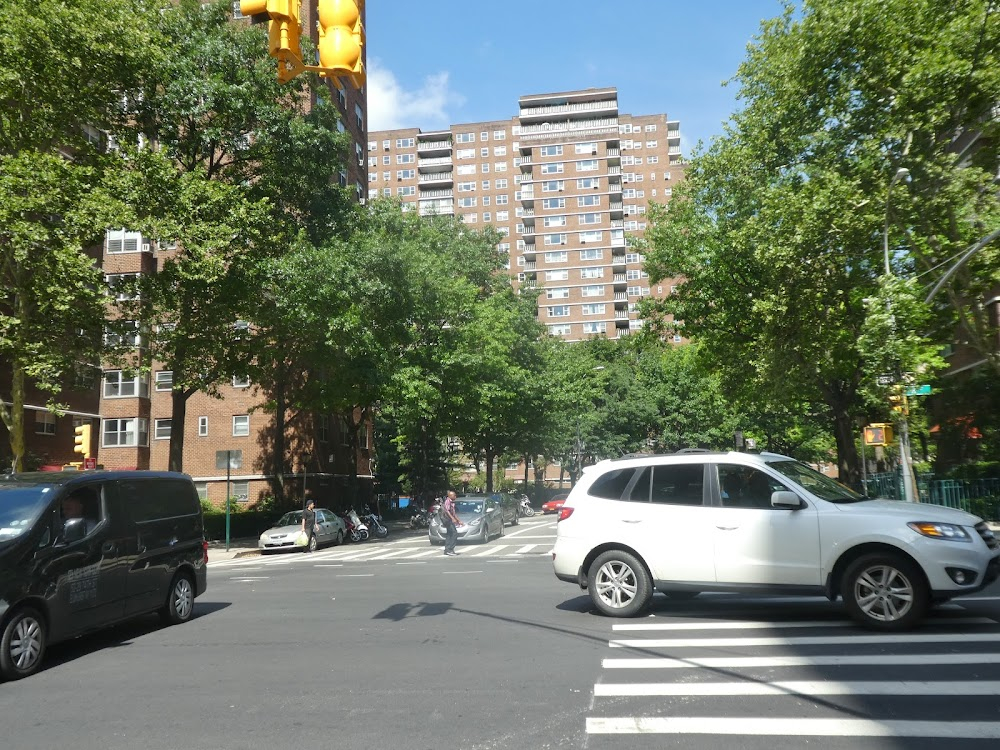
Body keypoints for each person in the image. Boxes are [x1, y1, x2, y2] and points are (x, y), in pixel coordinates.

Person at [442, 490, 463, 556]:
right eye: (454, 495)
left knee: (449, 534)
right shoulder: (448, 502)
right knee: (454, 533)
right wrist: (452, 518)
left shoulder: (452, 502)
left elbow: (454, 513)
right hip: (447, 520)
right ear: (450, 496)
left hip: (449, 520)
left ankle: (447, 550)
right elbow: (447, 511)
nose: (455, 496)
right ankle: (450, 549)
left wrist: (459, 521)